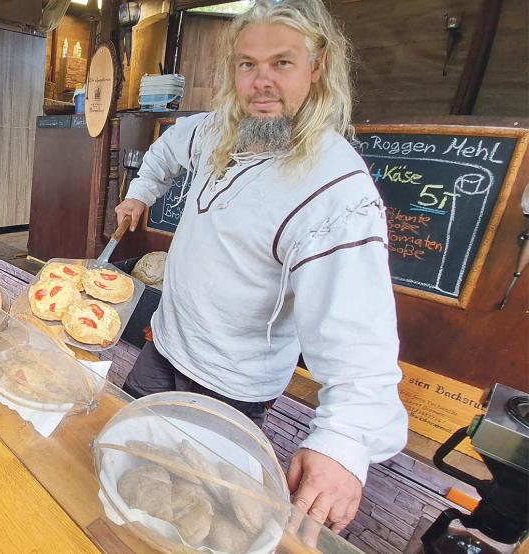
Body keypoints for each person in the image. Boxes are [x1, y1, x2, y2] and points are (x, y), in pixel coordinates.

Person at [115, 0, 407, 535]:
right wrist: (140, 194)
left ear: (317, 68)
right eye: (247, 64)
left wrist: (345, 441)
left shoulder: (335, 190)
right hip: (167, 345)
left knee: (194, 515)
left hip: (232, 382)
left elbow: (358, 329)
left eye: (282, 63)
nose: (261, 82)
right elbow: (165, 152)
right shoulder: (217, 129)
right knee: (133, 467)